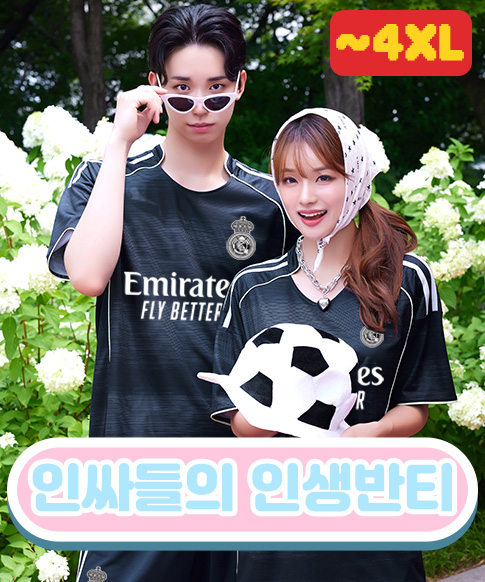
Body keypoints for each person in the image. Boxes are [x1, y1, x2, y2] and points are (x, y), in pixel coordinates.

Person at [47, 5, 296, 582]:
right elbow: (87, 276)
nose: (200, 107)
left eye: (216, 89)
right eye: (181, 91)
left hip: (239, 479)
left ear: (240, 86)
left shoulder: (271, 206)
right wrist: (119, 143)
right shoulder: (106, 180)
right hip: (134, 475)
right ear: (155, 87)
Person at [203, 108, 457, 581]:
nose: (306, 197)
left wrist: (377, 432)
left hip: (377, 529)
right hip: (276, 536)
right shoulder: (252, 288)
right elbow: (238, 422)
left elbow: (416, 405)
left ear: (355, 177)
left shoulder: (408, 280)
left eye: (324, 177)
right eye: (290, 179)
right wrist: (274, 411)